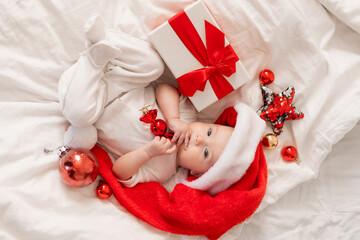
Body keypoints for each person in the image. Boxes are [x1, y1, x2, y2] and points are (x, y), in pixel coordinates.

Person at [59, 16, 265, 194]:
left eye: (205, 153)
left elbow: (121, 172)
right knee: (154, 66)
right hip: (124, 80)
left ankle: (92, 61)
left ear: (197, 173)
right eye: (210, 132)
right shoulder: (187, 116)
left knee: (79, 115)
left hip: (95, 107)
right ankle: (104, 40)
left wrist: (147, 153)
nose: (199, 139)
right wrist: (173, 117)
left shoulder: (163, 171)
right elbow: (164, 88)